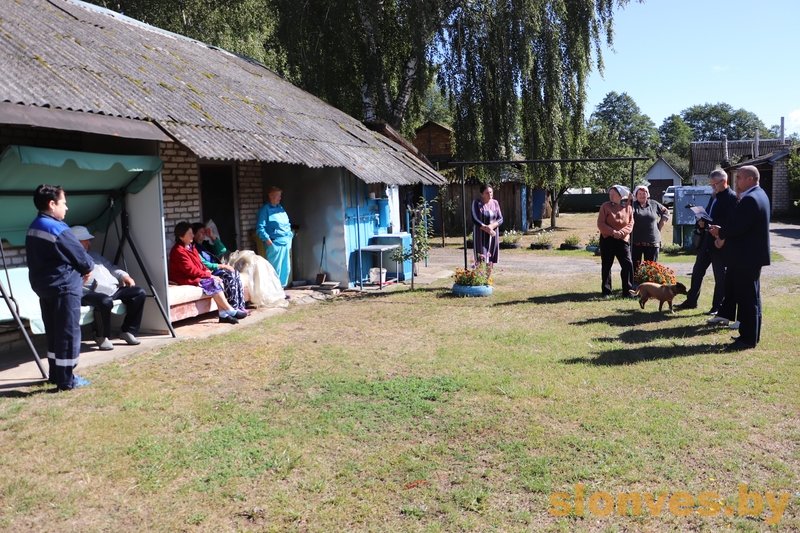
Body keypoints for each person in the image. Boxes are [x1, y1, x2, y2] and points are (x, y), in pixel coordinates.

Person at [25, 184, 94, 390]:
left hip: (45, 288)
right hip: (64, 287)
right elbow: (82, 258)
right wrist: (88, 268)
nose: (66, 207)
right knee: (67, 333)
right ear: (52, 204)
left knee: (54, 332)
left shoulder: (35, 225)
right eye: (64, 203)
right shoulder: (57, 228)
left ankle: (56, 375)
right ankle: (67, 380)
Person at [708, 165, 770, 351]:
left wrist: (720, 232)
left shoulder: (750, 199)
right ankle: (752, 334)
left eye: (740, 178)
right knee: (752, 296)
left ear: (750, 179)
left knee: (747, 298)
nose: (736, 181)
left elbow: (738, 227)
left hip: (746, 256)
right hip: (751, 255)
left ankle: (748, 339)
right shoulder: (760, 194)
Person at [69, 226, 146, 350]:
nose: (89, 243)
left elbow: (111, 267)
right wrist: (80, 280)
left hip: (112, 289)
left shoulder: (94, 255)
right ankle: (101, 336)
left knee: (139, 293)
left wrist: (124, 276)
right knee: (105, 301)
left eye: (88, 240)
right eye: (85, 241)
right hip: (88, 293)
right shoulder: (69, 260)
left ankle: (128, 331)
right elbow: (68, 282)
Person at [676, 170, 737, 314]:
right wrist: (702, 222)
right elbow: (709, 215)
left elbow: (731, 222)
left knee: (720, 277)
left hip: (719, 243)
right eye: (711, 185)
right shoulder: (714, 196)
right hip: (707, 241)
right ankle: (691, 301)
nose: (712, 188)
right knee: (697, 272)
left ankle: (717, 307)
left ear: (724, 181)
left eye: (714, 185)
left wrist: (721, 234)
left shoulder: (732, 198)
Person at [168, 222, 246, 324]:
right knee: (212, 282)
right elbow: (190, 270)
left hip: (194, 275)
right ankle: (230, 310)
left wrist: (207, 272)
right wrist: (209, 275)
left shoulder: (191, 247)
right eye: (190, 233)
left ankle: (223, 315)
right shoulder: (178, 251)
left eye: (192, 233)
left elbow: (200, 264)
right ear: (181, 237)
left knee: (216, 280)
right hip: (184, 277)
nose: (192, 235)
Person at [191, 222, 247, 313]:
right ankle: (234, 307)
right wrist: (222, 266)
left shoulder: (205, 244)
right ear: (194, 234)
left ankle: (240, 306)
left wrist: (212, 236)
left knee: (235, 273)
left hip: (217, 269)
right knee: (229, 275)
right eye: (201, 232)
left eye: (204, 232)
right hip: (209, 271)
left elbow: (223, 250)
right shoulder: (194, 248)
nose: (204, 234)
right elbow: (204, 263)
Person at [597, 184, 634, 297]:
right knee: (607, 265)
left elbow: (631, 224)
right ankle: (606, 291)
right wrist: (613, 232)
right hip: (607, 239)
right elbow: (601, 224)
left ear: (620, 195)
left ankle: (628, 291)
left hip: (622, 240)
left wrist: (621, 233)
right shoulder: (605, 206)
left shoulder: (628, 207)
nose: (611, 196)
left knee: (627, 264)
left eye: (614, 194)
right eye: (610, 194)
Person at [256, 186, 294, 287]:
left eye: (280, 196)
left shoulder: (280, 208)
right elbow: (260, 227)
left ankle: (281, 290)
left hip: (285, 243)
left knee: (286, 269)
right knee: (275, 270)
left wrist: (290, 237)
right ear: (271, 196)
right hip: (275, 243)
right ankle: (274, 290)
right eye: (278, 196)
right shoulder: (265, 209)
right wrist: (267, 240)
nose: (280, 198)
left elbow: (287, 224)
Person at [630, 185, 670, 271]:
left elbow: (666, 212)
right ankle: (635, 281)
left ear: (647, 194)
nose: (642, 195)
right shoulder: (632, 205)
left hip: (652, 241)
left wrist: (660, 225)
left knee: (651, 269)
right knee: (634, 268)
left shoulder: (654, 204)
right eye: (640, 194)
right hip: (636, 242)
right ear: (636, 195)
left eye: (644, 193)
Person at [471, 184, 503, 267]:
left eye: (491, 192)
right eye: (487, 193)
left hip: (492, 235)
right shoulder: (477, 203)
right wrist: (487, 229)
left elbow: (500, 219)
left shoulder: (495, 203)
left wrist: (491, 227)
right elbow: (475, 219)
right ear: (482, 194)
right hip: (480, 235)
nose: (490, 194)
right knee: (481, 258)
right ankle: (480, 275)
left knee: (490, 259)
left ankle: (489, 275)